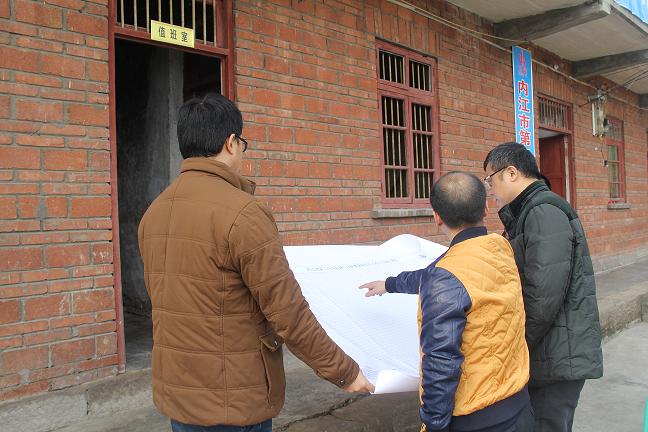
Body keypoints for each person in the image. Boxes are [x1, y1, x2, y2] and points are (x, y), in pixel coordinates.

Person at [138, 93, 373, 432]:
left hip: (179, 395)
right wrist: (344, 371)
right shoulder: (244, 213)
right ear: (231, 143)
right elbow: (288, 313)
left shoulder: (154, 212)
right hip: (235, 398)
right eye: (242, 144)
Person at [360, 172, 532, 432]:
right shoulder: (500, 247)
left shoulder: (446, 276)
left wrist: (433, 424)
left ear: (436, 217)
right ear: (485, 209)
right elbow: (440, 275)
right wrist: (390, 284)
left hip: (477, 419)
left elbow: (440, 363)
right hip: (518, 402)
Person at [482, 142, 603, 432]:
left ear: (511, 173)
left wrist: (516, 345)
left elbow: (543, 296)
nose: (490, 189)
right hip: (551, 351)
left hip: (557, 356)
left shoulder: (543, 211)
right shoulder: (529, 211)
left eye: (490, 179)